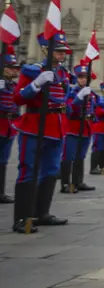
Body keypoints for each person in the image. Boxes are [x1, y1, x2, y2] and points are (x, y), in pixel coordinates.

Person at [11, 34, 74, 231]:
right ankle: (22, 217)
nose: (62, 54)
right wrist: (36, 84)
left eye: (64, 51)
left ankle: (42, 213)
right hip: (35, 125)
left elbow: (64, 100)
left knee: (51, 171)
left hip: (57, 127)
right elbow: (19, 99)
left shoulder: (63, 74)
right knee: (28, 170)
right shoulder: (32, 71)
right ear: (46, 50)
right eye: (59, 50)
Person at [61, 63, 97, 193]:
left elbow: (94, 108)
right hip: (74, 128)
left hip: (86, 128)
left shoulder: (91, 93)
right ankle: (65, 183)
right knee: (68, 156)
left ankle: (78, 181)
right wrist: (79, 98)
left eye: (85, 77)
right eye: (80, 77)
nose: (83, 79)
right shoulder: (72, 92)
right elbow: (69, 110)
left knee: (80, 156)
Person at [0, 45, 21, 204]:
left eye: (16, 68)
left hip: (9, 126)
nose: (15, 71)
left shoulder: (13, 86)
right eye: (11, 68)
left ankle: (1, 192)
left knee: (3, 161)